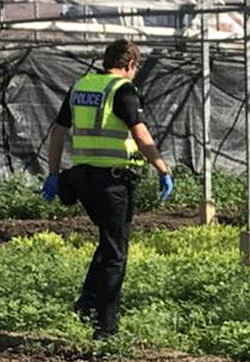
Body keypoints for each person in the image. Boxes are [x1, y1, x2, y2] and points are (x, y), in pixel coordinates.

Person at [40, 39, 174, 341]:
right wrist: (162, 169)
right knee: (116, 254)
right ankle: (106, 327)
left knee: (109, 240)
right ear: (130, 65)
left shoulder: (81, 86)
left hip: (82, 179)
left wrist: (53, 174)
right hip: (112, 182)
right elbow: (140, 135)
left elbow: (59, 130)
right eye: (134, 69)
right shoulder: (122, 89)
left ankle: (86, 302)